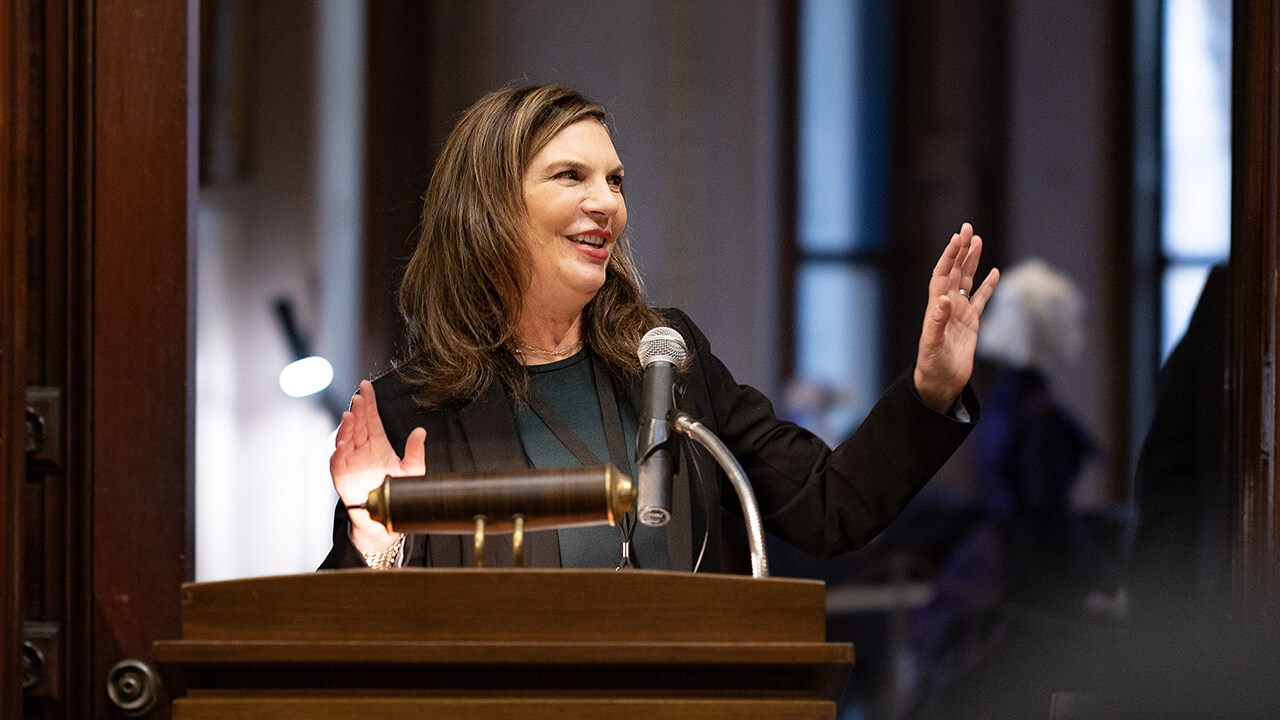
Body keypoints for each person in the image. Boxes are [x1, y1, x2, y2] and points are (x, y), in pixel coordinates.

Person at [319, 85, 999, 572]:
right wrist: (374, 536)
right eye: (571, 176)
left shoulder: (666, 363)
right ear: (490, 208)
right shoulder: (412, 410)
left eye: (615, 180)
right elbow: (348, 648)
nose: (606, 203)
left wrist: (930, 390)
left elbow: (829, 506)